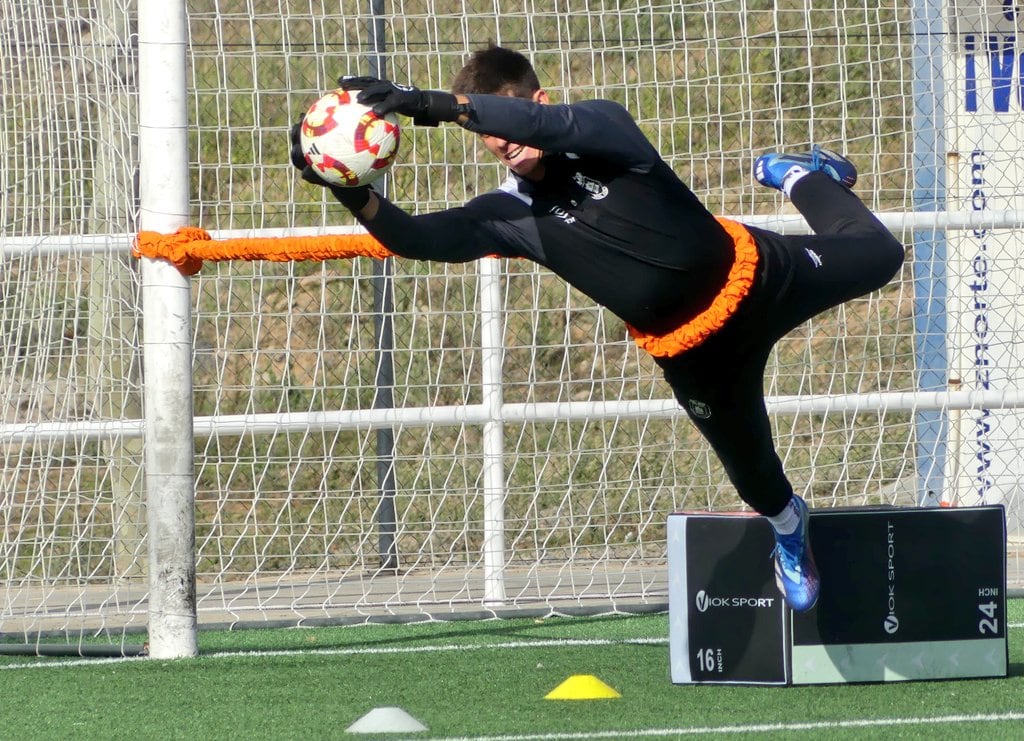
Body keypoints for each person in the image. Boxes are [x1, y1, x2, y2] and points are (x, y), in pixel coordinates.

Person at [289, 45, 905, 612]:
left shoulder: (604, 130)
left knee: (881, 255)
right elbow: (418, 239)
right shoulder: (508, 214)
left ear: (537, 104)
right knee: (754, 476)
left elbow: (547, 129)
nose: (501, 142)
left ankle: (801, 176)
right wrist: (345, 185)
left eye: (503, 122)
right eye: (486, 135)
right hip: (696, 352)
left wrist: (436, 105)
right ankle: (791, 529)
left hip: (761, 276)